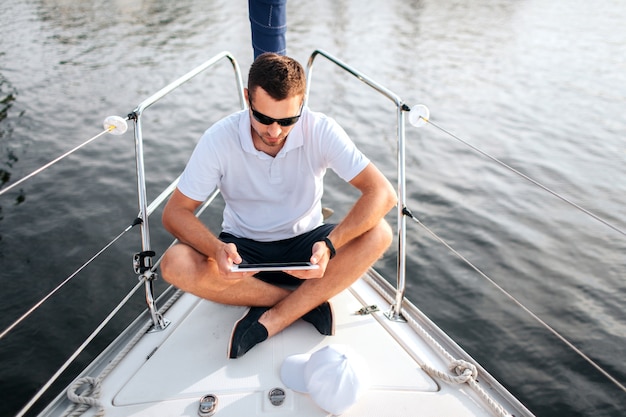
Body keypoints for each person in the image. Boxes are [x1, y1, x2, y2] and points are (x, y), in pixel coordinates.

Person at [160, 53, 396, 359]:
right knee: (174, 263)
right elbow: (175, 212)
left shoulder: (321, 129)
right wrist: (216, 249)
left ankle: (275, 318)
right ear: (247, 99)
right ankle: (301, 303)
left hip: (308, 247)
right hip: (243, 251)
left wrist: (330, 245)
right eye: (263, 118)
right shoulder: (218, 139)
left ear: (302, 103)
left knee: (381, 233)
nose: (274, 131)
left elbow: (382, 192)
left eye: (287, 121)